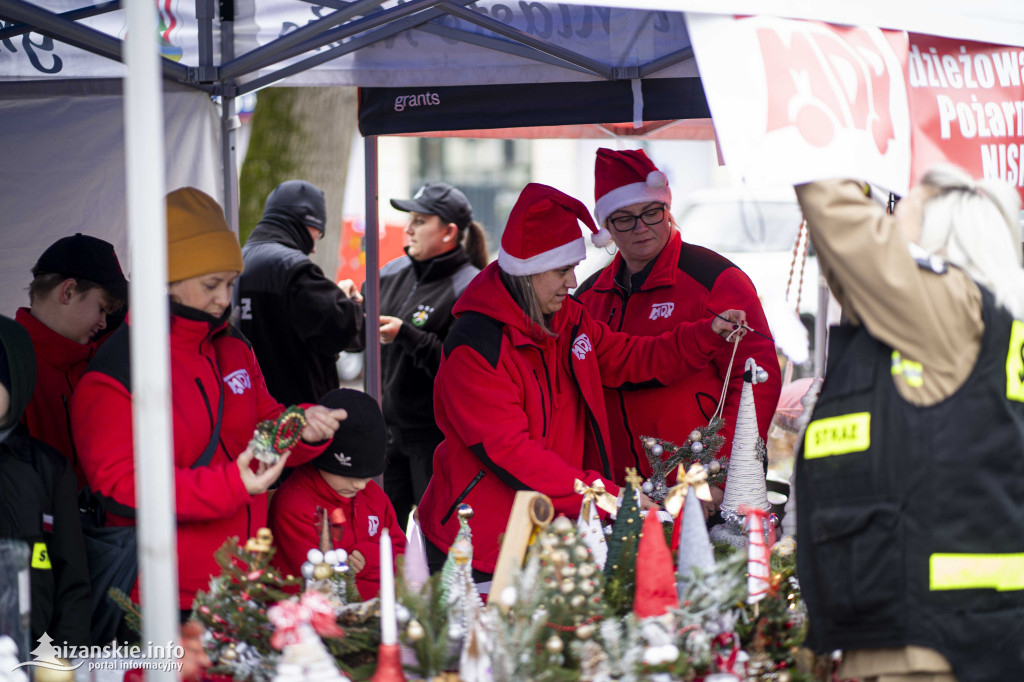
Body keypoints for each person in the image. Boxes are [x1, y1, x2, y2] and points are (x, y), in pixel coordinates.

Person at [416, 183, 746, 579]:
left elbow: (632, 357)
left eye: (573, 268)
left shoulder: (569, 319)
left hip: (557, 527)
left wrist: (706, 335)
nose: (573, 282)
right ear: (529, 270)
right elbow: (512, 452)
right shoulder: (477, 344)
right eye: (561, 270)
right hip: (483, 540)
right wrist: (607, 495)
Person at [71, 187, 349, 617]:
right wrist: (232, 485)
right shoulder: (118, 369)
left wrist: (301, 425)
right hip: (163, 600)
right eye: (210, 284)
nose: (224, 299)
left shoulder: (233, 347)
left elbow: (266, 424)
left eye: (230, 283)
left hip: (244, 582)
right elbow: (121, 486)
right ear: (166, 280)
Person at [793, 166, 1024, 682]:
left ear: (944, 231)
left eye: (903, 214)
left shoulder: (952, 307)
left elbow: (850, 237)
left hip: (928, 640)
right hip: (942, 629)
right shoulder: (978, 318)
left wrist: (815, 138)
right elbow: (857, 274)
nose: (889, 224)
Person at [576, 148, 781, 511]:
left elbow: (756, 380)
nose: (641, 227)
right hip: (619, 497)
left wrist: (720, 476)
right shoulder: (588, 298)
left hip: (699, 492)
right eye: (624, 218)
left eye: (651, 213)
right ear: (606, 228)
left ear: (667, 211)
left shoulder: (714, 278)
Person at [373, 182, 486, 530]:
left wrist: (406, 334)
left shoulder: (471, 287)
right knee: (379, 539)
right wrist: (349, 307)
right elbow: (355, 340)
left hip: (435, 440)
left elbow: (463, 370)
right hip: (386, 434)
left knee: (439, 538)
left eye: (420, 221)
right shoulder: (390, 272)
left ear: (450, 232)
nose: (408, 229)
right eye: (411, 219)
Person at [0, 315, 91, 645]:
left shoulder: (48, 469)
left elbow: (72, 580)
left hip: (36, 654)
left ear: (17, 380)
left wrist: (65, 656)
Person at [269, 388, 407, 600]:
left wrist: (371, 559)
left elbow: (403, 557)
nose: (360, 484)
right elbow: (321, 581)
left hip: (377, 616)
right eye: (348, 474)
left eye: (369, 475)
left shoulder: (373, 496)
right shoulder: (295, 505)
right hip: (309, 622)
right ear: (323, 459)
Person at [237, 180, 363, 407]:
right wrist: (348, 303)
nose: (314, 247)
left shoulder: (240, 260)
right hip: (299, 418)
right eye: (319, 233)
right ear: (308, 222)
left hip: (252, 410)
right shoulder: (293, 268)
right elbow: (344, 330)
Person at [15, 233, 127, 489]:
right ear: (68, 291)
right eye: (102, 308)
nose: (103, 323)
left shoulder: (94, 367)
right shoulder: (9, 365)